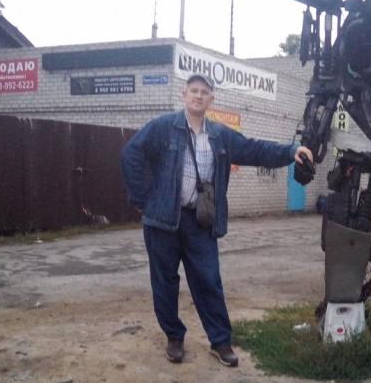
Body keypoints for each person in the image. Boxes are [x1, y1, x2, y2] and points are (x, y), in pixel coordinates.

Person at [121, 74, 313, 367]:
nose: (198, 96)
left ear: (211, 99)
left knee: (209, 281)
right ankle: (174, 337)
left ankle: (220, 341)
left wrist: (291, 151)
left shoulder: (220, 135)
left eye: (204, 92)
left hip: (200, 221)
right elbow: (131, 153)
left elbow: (254, 149)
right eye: (194, 91)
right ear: (184, 95)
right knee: (165, 282)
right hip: (162, 222)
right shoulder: (163, 127)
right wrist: (142, 198)